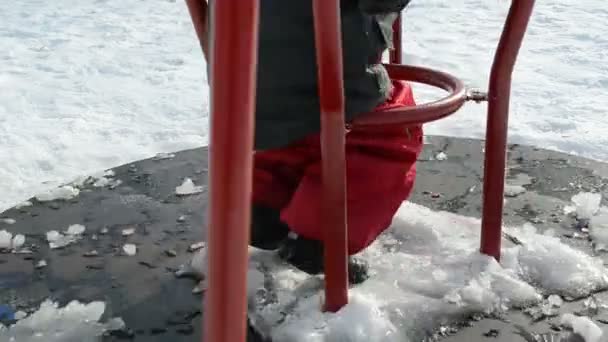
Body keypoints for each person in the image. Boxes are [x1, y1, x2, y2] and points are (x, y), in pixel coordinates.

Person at [197, 0, 422, 284]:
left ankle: (262, 207)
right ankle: (322, 242)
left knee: (296, 133)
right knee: (389, 135)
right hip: (323, 75)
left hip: (239, 79)